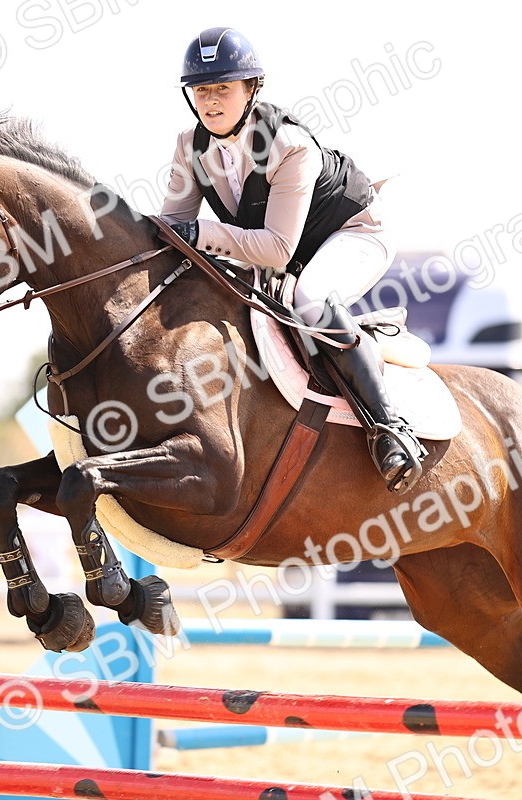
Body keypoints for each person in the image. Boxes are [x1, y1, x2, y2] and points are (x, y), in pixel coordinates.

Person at [159, 26, 426, 494]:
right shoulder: (190, 146)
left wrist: (200, 233)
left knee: (311, 298)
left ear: (251, 89)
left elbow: (276, 249)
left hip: (353, 231)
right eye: (200, 90)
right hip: (285, 246)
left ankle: (391, 429)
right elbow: (172, 227)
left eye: (223, 88)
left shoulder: (289, 144)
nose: (210, 101)